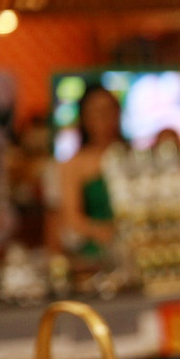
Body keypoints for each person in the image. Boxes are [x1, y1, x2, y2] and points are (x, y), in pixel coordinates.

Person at [55, 83, 124, 259]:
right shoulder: (74, 164)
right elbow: (72, 219)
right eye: (96, 112)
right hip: (95, 254)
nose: (104, 118)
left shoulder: (132, 156)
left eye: (109, 111)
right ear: (84, 118)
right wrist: (106, 233)